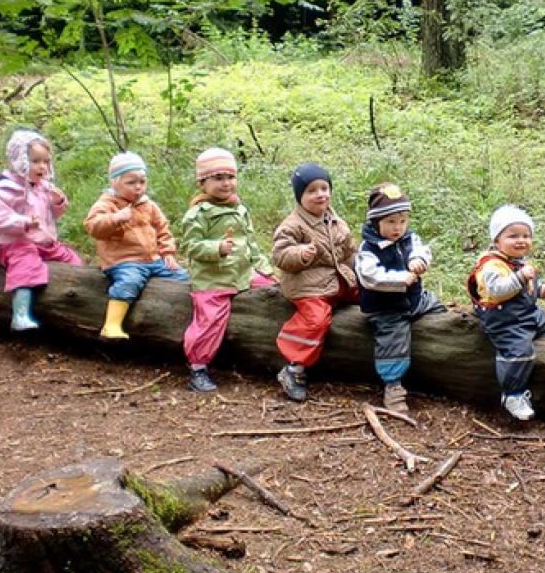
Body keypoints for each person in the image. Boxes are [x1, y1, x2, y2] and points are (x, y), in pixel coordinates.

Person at [178, 147, 277, 393]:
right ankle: (198, 367)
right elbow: (189, 246)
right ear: (202, 183)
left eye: (230, 177)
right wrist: (216, 248)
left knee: (278, 292)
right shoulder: (198, 214)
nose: (226, 183)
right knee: (210, 319)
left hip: (242, 274)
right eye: (218, 178)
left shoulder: (240, 209)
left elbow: (251, 243)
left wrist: (264, 269)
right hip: (214, 279)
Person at [355, 183, 446, 413]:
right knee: (392, 341)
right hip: (386, 308)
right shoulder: (369, 248)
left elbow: (422, 249)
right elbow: (370, 277)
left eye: (403, 221)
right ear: (376, 223)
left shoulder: (409, 238)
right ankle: (393, 387)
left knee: (435, 304)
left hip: (414, 300)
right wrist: (399, 279)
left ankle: (449, 333)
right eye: (391, 222)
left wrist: (419, 260)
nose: (398, 228)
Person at [271, 162, 358, 402]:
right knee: (316, 319)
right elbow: (280, 255)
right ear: (300, 196)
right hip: (307, 286)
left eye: (324, 188)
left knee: (370, 294)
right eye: (311, 190)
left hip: (337, 279)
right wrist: (299, 254)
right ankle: (294, 366)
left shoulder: (335, 221)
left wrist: (360, 269)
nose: (320, 194)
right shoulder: (293, 225)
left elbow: (349, 250)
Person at [84, 151, 189, 342]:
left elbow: (162, 228)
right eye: (131, 183)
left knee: (181, 277)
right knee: (129, 282)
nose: (138, 187)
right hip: (124, 260)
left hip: (153, 259)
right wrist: (115, 219)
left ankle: (184, 318)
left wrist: (167, 252)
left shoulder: (148, 205)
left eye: (142, 181)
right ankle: (112, 325)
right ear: (114, 182)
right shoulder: (107, 204)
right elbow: (93, 227)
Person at [467, 204, 545, 421]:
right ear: (497, 240)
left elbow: (525, 288)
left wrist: (540, 289)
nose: (521, 240)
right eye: (513, 236)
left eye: (526, 235)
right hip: (504, 320)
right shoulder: (492, 265)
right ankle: (512, 393)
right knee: (517, 350)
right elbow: (497, 290)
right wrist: (520, 277)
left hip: (526, 314)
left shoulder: (517, 262)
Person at [0, 129, 82, 331]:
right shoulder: (7, 187)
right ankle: (20, 313)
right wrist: (24, 222)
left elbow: (50, 217)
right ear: (20, 160)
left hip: (45, 242)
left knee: (73, 260)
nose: (42, 167)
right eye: (36, 161)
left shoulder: (43, 187)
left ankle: (74, 304)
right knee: (26, 264)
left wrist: (58, 203)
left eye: (46, 161)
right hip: (16, 244)